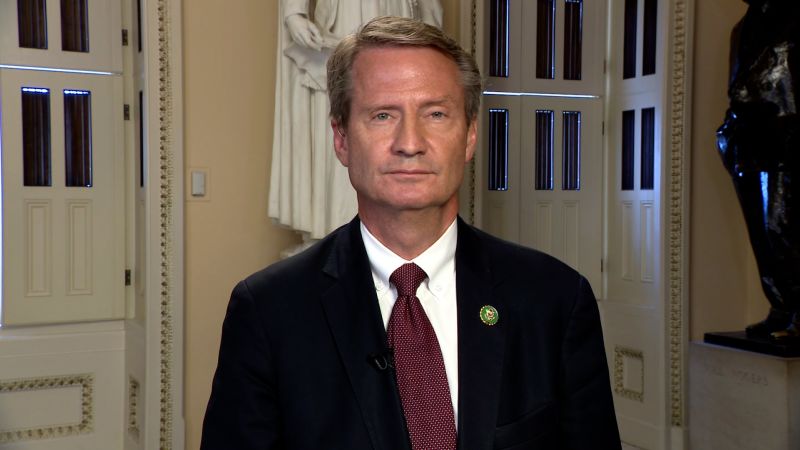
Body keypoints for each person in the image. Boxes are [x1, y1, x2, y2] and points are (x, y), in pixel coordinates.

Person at [202, 16, 620, 449]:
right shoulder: (268, 311)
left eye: (435, 114)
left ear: (470, 135)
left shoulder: (555, 299)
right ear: (341, 138)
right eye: (383, 115)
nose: (410, 143)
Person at [268, 0, 442, 242]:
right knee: (354, 115)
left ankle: (395, 233)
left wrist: (433, 31)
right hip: (348, 13)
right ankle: (336, 231)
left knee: (403, 100)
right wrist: (293, 12)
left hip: (397, 10)